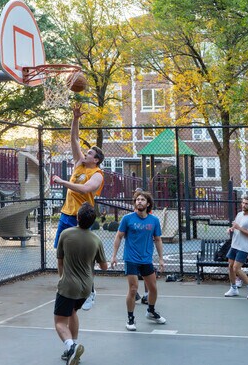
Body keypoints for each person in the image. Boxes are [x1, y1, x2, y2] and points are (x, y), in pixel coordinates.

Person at [52, 103, 105, 311]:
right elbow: (74, 139)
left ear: (96, 159)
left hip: (81, 219)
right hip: (66, 215)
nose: (86, 154)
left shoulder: (98, 174)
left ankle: (90, 290)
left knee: (85, 260)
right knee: (61, 254)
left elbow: (84, 190)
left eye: (90, 153)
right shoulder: (79, 164)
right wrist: (75, 119)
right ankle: (63, 285)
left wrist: (63, 182)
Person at [54, 202, 108, 365]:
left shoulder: (66, 234)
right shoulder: (96, 240)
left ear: (77, 217)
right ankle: (73, 347)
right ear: (93, 221)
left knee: (59, 322)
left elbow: (60, 261)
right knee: (72, 313)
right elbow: (104, 267)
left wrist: (62, 279)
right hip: (86, 288)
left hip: (68, 286)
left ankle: (71, 346)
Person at [111, 190, 166, 331]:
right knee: (133, 288)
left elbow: (158, 240)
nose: (139, 201)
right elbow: (118, 236)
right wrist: (114, 255)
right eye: (137, 199)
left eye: (142, 200)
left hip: (146, 259)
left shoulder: (154, 221)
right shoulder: (127, 219)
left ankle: (151, 311)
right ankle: (130, 319)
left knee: (153, 289)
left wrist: (161, 259)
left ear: (148, 204)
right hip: (131, 259)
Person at [224, 196, 248, 299]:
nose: (244, 205)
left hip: (244, 247)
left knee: (236, 268)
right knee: (230, 267)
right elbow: (235, 227)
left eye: (246, 204)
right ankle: (233, 288)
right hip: (234, 245)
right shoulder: (239, 215)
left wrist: (239, 228)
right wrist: (231, 229)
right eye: (243, 203)